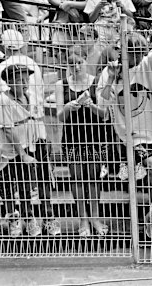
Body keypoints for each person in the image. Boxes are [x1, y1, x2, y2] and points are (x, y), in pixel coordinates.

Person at [96, 29, 152, 238]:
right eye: (133, 52)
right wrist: (112, 79)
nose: (137, 57)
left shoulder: (146, 65)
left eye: (141, 52)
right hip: (131, 134)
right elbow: (103, 103)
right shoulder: (109, 72)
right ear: (122, 51)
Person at [0, 64, 61, 236]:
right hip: (16, 149)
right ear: (9, 82)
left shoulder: (30, 95)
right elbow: (8, 129)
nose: (24, 83)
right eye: (19, 80)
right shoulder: (2, 101)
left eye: (26, 79)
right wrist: (23, 154)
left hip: (36, 142)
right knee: (23, 183)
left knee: (44, 180)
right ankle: (28, 218)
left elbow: (38, 117)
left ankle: (48, 218)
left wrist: (44, 140)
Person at [54, 51, 108, 236]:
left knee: (93, 177)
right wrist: (69, 107)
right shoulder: (61, 84)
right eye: (71, 63)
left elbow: (104, 114)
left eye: (79, 62)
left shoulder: (96, 81)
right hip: (72, 138)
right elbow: (59, 116)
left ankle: (94, 216)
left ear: (86, 61)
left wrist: (92, 105)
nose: (76, 67)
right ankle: (82, 219)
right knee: (77, 178)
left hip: (94, 138)